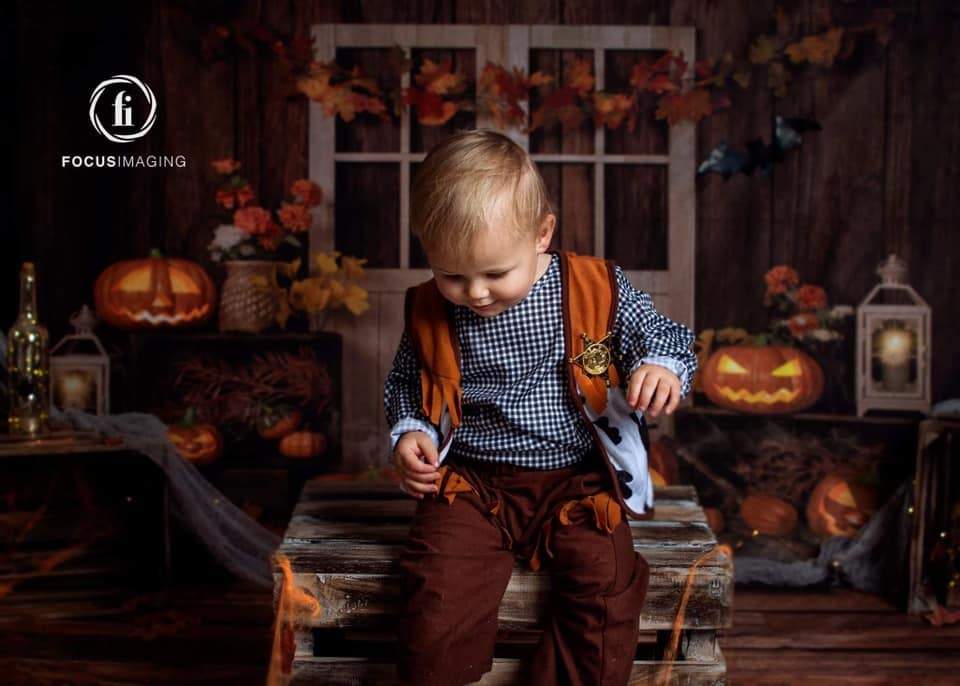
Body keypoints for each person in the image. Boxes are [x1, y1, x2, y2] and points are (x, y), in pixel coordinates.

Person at [384, 129, 697, 685]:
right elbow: (410, 381)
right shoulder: (432, 309)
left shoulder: (597, 288)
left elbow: (662, 334)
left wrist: (661, 366)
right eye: (452, 275)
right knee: (434, 588)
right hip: (473, 483)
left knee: (607, 584)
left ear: (541, 234)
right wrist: (411, 431)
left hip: (576, 480)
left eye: (494, 274)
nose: (475, 293)